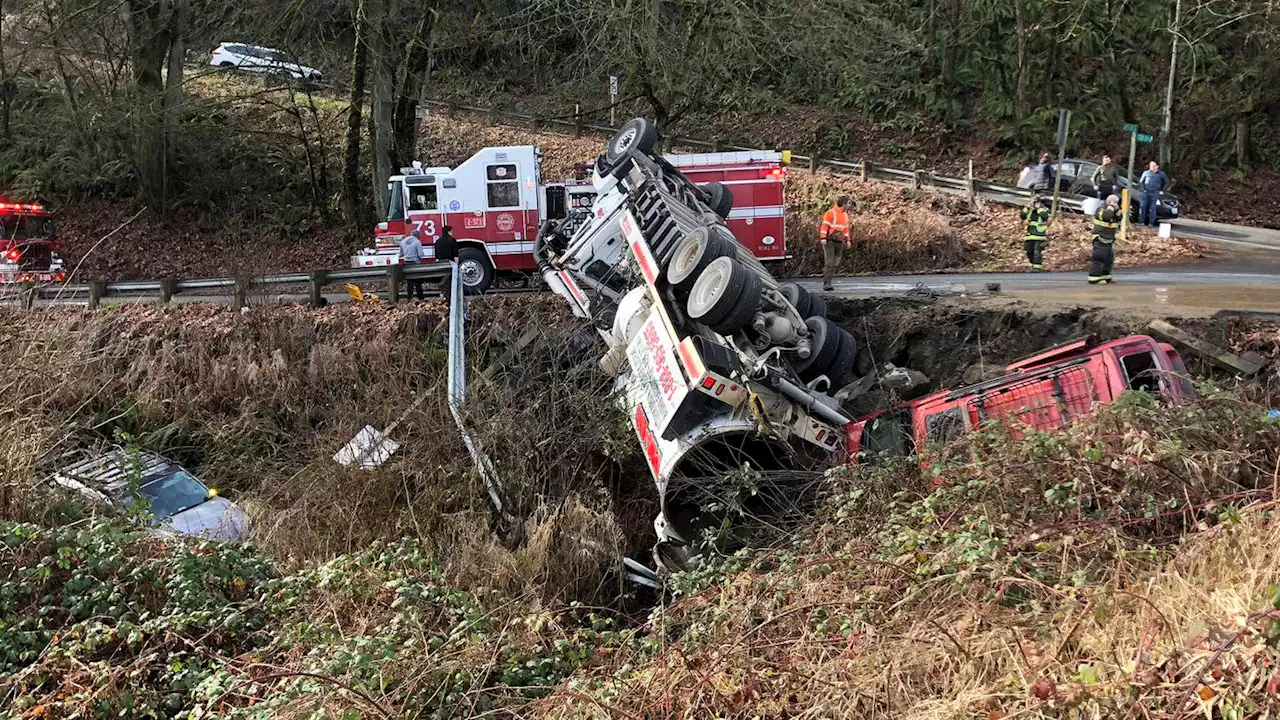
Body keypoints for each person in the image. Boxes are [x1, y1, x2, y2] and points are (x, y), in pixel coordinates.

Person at [819, 196, 852, 291]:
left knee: (835, 263)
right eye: (849, 203)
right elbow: (824, 226)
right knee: (829, 263)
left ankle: (827, 275)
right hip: (829, 240)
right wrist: (823, 238)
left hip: (839, 241)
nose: (850, 205)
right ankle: (827, 283)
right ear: (844, 204)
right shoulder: (830, 213)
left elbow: (846, 229)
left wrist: (848, 240)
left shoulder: (845, 215)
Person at [1088, 194, 1122, 285]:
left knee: (1109, 259)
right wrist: (1111, 207)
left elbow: (1120, 217)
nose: (1115, 204)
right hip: (1100, 237)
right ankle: (1094, 277)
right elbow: (1106, 217)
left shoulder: (1113, 210)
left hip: (1109, 239)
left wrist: (1117, 209)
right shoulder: (1101, 209)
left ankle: (1105, 276)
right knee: (1099, 258)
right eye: (1114, 202)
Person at [1020, 194, 1050, 272]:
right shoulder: (1030, 211)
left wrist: (1039, 208)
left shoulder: (1045, 210)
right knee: (1029, 251)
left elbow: (1045, 217)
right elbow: (1022, 215)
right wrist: (1028, 206)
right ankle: (1033, 265)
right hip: (1029, 235)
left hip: (1039, 235)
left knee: (1037, 252)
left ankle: (1037, 267)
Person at [1138, 160, 1169, 227]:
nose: (1152, 167)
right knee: (1143, 206)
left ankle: (1151, 223)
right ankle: (1141, 222)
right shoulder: (1146, 173)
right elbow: (1141, 182)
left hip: (1155, 192)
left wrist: (1162, 190)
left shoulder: (1161, 174)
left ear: (1157, 166)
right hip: (1146, 192)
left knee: (1152, 208)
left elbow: (1166, 182)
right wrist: (1143, 189)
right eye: (1151, 166)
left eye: (1153, 166)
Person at [399, 228, 427, 300]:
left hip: (407, 264)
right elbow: (421, 255)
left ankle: (409, 298)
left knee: (409, 282)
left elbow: (400, 254)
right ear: (418, 236)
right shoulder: (417, 242)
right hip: (415, 263)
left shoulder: (403, 242)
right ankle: (420, 297)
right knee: (418, 282)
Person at [435, 225, 458, 293]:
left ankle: (443, 292)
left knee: (443, 279)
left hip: (441, 263)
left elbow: (436, 255)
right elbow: (455, 254)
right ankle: (451, 292)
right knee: (450, 279)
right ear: (449, 231)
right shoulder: (453, 240)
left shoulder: (438, 241)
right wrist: (456, 265)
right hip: (450, 263)